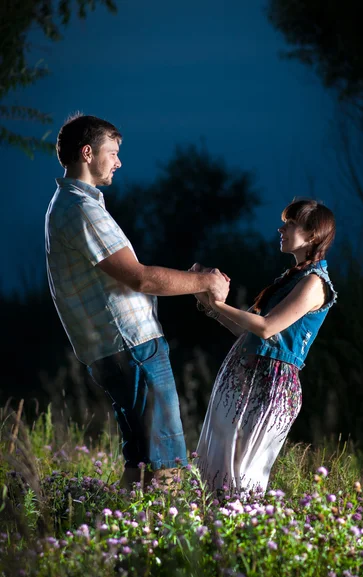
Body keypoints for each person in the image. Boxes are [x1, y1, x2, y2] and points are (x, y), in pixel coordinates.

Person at [45, 113, 230, 488]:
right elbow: (140, 276)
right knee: (168, 464)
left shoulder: (65, 206)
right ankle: (167, 543)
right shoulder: (81, 209)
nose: (118, 162)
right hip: (132, 346)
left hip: (112, 348)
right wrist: (204, 282)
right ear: (87, 153)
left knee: (141, 460)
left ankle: (125, 541)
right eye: (111, 153)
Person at [194, 197, 337, 492]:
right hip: (245, 376)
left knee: (243, 476)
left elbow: (267, 327)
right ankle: (213, 535)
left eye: (290, 224)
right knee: (215, 467)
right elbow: (248, 332)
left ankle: (241, 535)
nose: (280, 229)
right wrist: (209, 303)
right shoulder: (291, 279)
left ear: (312, 235)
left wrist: (217, 301)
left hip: (271, 383)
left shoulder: (314, 284)